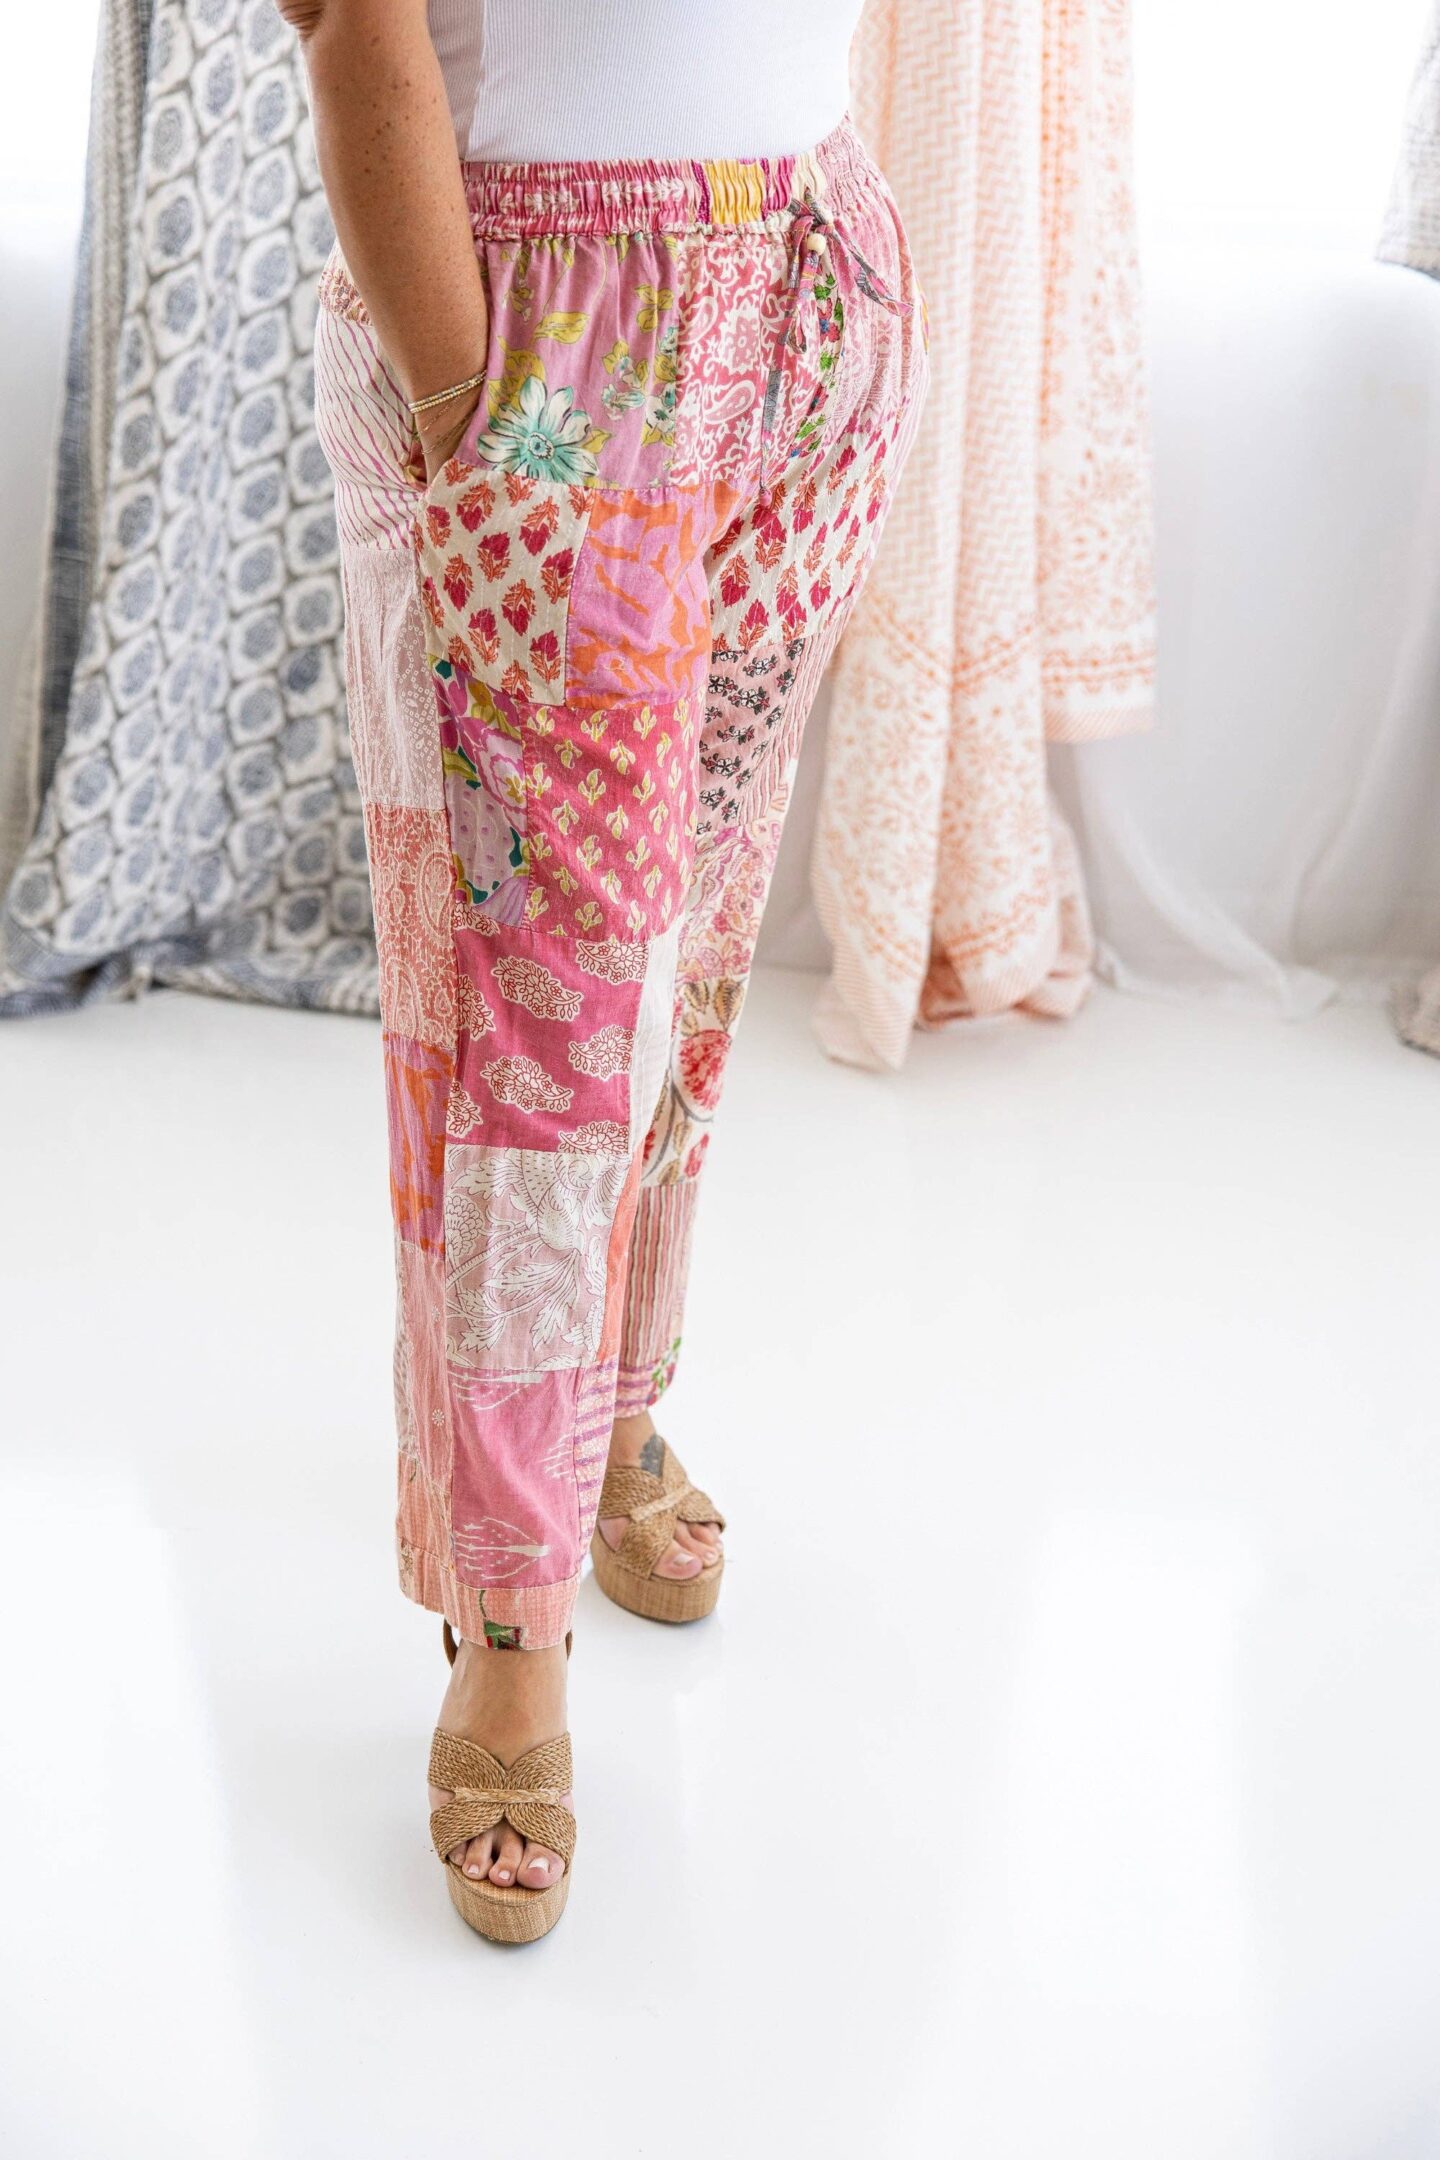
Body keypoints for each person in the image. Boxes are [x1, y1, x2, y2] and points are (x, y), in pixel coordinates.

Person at [285, 0, 928, 1942]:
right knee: (531, 1017)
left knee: (692, 942)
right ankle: (511, 1608)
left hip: (810, 267)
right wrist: (463, 395)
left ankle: (612, 1398)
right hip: (554, 319)